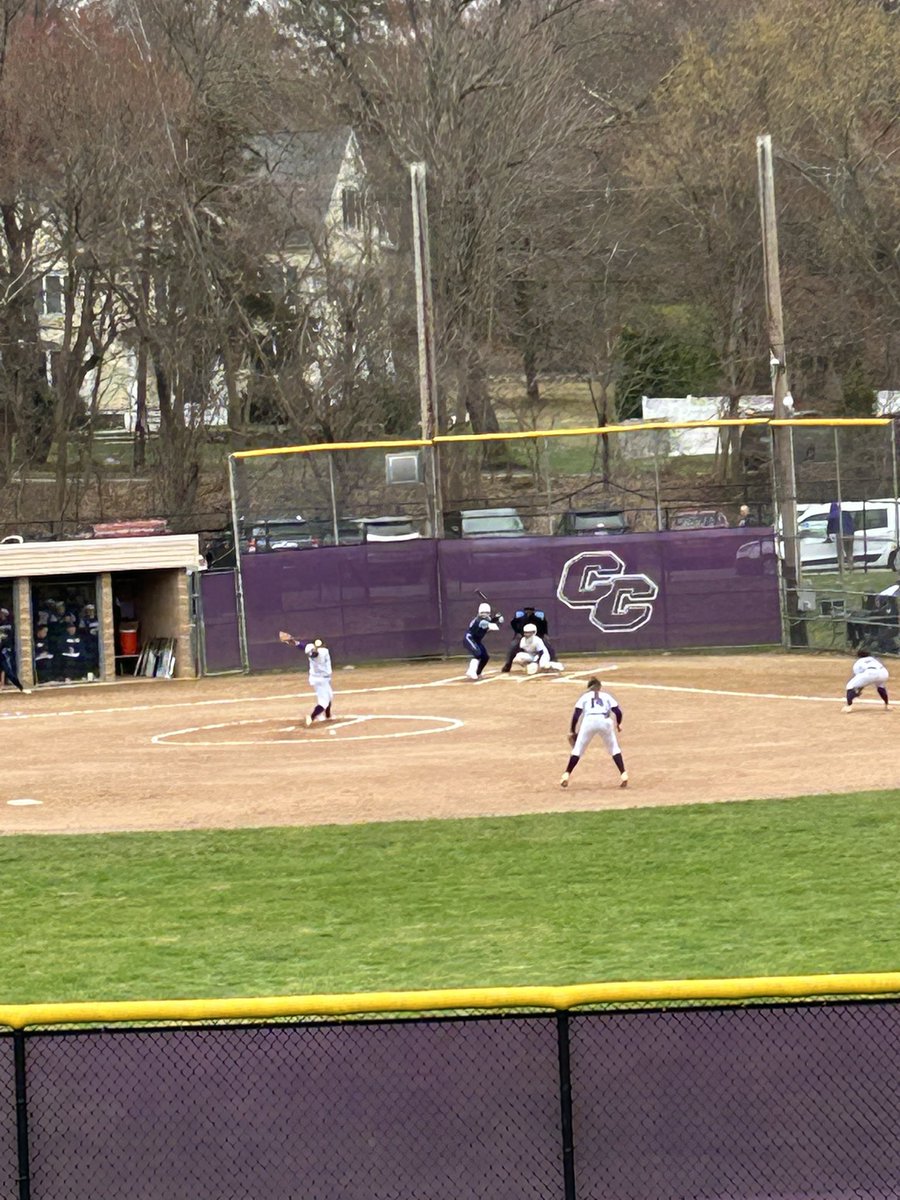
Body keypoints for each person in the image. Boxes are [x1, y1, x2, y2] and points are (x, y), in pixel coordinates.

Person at [559, 676, 628, 789]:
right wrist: (619, 724)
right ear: (599, 687)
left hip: (589, 721)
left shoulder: (585, 697)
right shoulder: (606, 696)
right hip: (605, 721)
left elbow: (577, 714)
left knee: (578, 749)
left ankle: (566, 774)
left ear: (589, 688)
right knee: (614, 748)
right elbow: (618, 711)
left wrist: (572, 730)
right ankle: (623, 774)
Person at [282, 633, 334, 724]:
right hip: (320, 680)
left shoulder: (310, 648)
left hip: (318, 678)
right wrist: (315, 649)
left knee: (330, 696)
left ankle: (328, 715)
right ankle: (311, 717)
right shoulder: (324, 651)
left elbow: (303, 646)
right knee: (324, 702)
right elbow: (315, 654)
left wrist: (294, 642)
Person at [501, 605, 556, 672]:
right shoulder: (520, 618)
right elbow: (513, 624)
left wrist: (545, 634)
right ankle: (508, 664)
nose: (528, 612)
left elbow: (544, 625)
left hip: (538, 635)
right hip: (523, 636)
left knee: (547, 645)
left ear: (533, 611)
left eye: (530, 610)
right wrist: (517, 632)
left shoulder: (538, 618)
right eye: (527, 610)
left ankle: (553, 660)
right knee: (513, 645)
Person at [464, 602, 503, 680]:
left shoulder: (487, 619)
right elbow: (493, 626)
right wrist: (498, 620)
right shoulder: (480, 621)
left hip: (477, 640)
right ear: (479, 613)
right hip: (469, 639)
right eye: (482, 613)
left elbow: (491, 622)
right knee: (477, 654)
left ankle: (478, 673)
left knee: (485, 657)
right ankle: (471, 671)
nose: (484, 614)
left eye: (486, 613)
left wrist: (497, 618)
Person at [826, 502, 855, 570]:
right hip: (850, 534)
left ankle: (842, 567)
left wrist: (828, 535)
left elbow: (829, 528)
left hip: (841, 534)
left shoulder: (833, 515)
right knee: (849, 551)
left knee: (840, 552)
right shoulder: (846, 514)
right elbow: (853, 523)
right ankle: (851, 566)